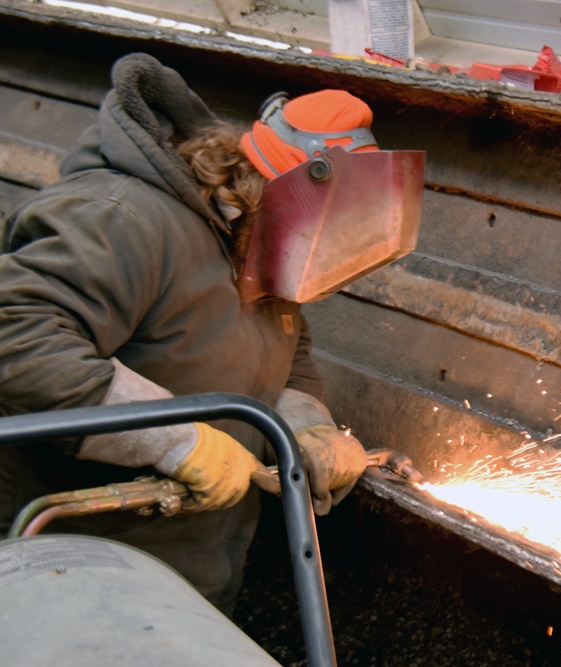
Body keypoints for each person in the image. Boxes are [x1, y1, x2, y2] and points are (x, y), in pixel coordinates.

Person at [0, 52, 419, 616]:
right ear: (274, 189)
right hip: (59, 568)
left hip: (189, 579)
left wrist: (311, 431)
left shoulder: (264, 262)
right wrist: (173, 439)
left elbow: (287, 368)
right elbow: (19, 336)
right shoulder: (122, 218)